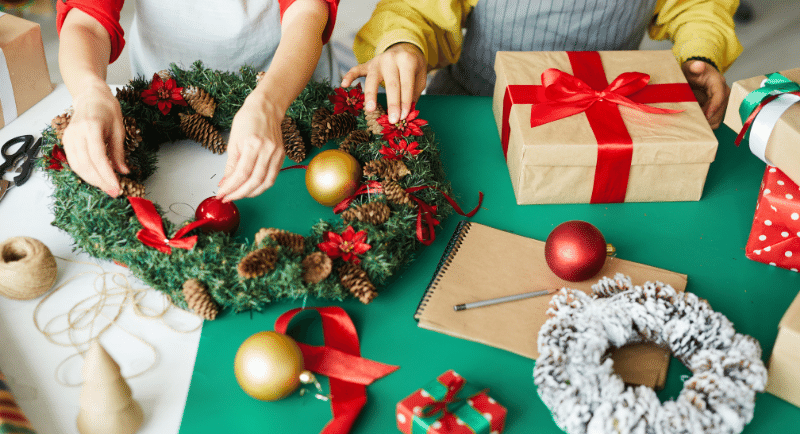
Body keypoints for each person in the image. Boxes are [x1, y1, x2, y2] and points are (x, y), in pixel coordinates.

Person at [56, 0, 338, 201]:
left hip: (289, 89)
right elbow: (86, 22)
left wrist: (270, 102)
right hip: (166, 97)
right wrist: (89, 90)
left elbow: (307, 12)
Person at [343, 0, 740, 130]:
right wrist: (402, 43)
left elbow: (698, 7)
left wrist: (700, 53)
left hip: (602, 124)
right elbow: (414, 11)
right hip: (478, 110)